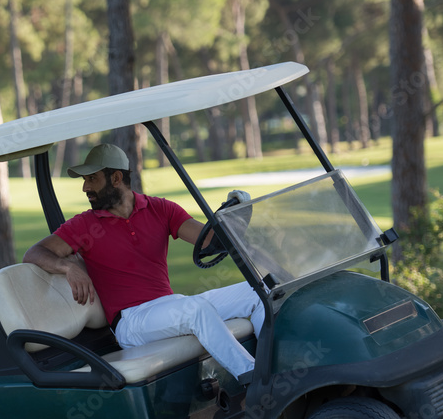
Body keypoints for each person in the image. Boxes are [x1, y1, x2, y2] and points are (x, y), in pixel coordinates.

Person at [23, 143, 265, 384]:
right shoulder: (84, 225)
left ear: (116, 178)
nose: (85, 187)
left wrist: (236, 218)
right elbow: (35, 253)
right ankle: (256, 380)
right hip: (131, 321)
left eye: (92, 179)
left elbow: (209, 242)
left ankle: (272, 365)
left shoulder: (160, 209)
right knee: (197, 310)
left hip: (170, 305)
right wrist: (69, 267)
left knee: (257, 290)